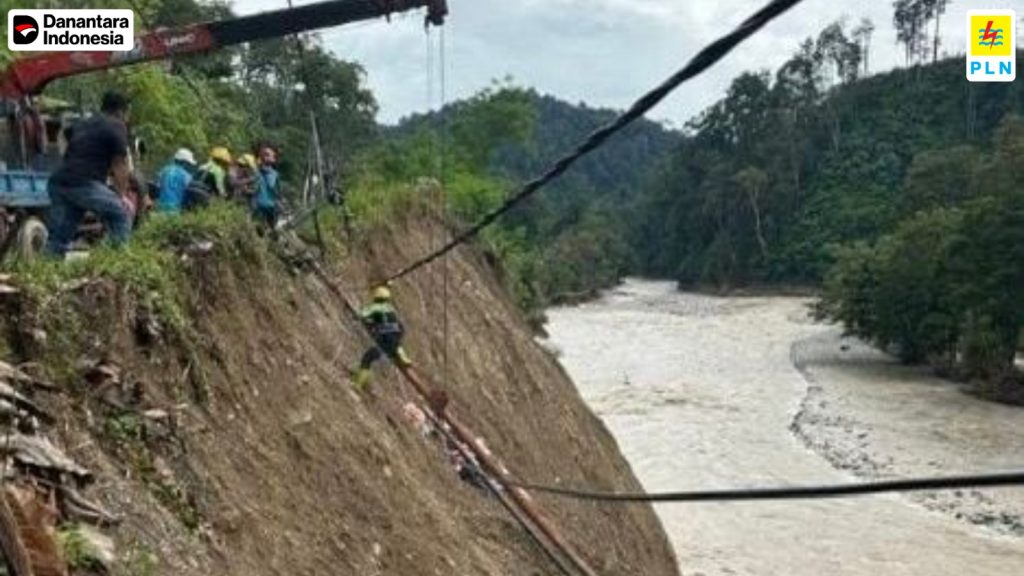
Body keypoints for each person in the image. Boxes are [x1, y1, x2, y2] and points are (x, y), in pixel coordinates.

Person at [46, 91, 133, 256]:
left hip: (59, 181)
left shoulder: (85, 122)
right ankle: (119, 263)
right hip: (83, 183)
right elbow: (119, 165)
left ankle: (46, 267)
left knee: (59, 238)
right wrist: (122, 196)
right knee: (121, 214)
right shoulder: (117, 125)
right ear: (122, 111)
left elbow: (63, 133)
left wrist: (66, 157)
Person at [353, 285, 413, 391]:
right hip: (396, 338)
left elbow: (362, 315)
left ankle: (358, 384)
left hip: (385, 340)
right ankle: (401, 355)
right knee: (392, 345)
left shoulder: (374, 307)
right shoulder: (390, 309)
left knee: (367, 358)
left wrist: (366, 321)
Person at [155, 148, 197, 213]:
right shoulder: (187, 176)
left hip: (160, 208)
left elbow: (157, 187)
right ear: (184, 163)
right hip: (176, 210)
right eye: (188, 164)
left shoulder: (164, 171)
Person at [251, 145, 280, 228]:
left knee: (269, 228)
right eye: (264, 154)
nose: (265, 157)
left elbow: (277, 191)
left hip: (268, 207)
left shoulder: (275, 174)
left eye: (268, 155)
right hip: (259, 206)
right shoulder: (255, 171)